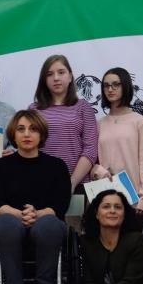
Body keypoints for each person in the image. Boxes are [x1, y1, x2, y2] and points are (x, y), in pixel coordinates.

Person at [0, 110, 71, 284]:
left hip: (46, 221)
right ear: (13, 135)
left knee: (49, 225)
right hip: (7, 222)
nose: (26, 134)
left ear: (41, 134)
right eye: (20, 129)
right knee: (6, 223)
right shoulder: (0, 166)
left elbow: (60, 204)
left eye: (33, 129)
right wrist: (20, 214)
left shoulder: (57, 166)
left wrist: (38, 214)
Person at [90, 67, 143, 217]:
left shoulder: (139, 121)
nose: (110, 89)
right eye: (106, 85)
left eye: (115, 84)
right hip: (104, 196)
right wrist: (98, 171)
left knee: (131, 240)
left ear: (125, 86)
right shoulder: (99, 124)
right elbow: (91, 160)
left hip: (132, 199)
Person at [30, 55, 98, 192]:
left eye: (61, 72)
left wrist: (71, 182)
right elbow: (28, 146)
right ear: (44, 79)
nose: (56, 78)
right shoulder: (34, 109)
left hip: (77, 185)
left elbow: (90, 150)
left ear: (70, 76)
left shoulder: (83, 107)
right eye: (50, 74)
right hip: (40, 183)